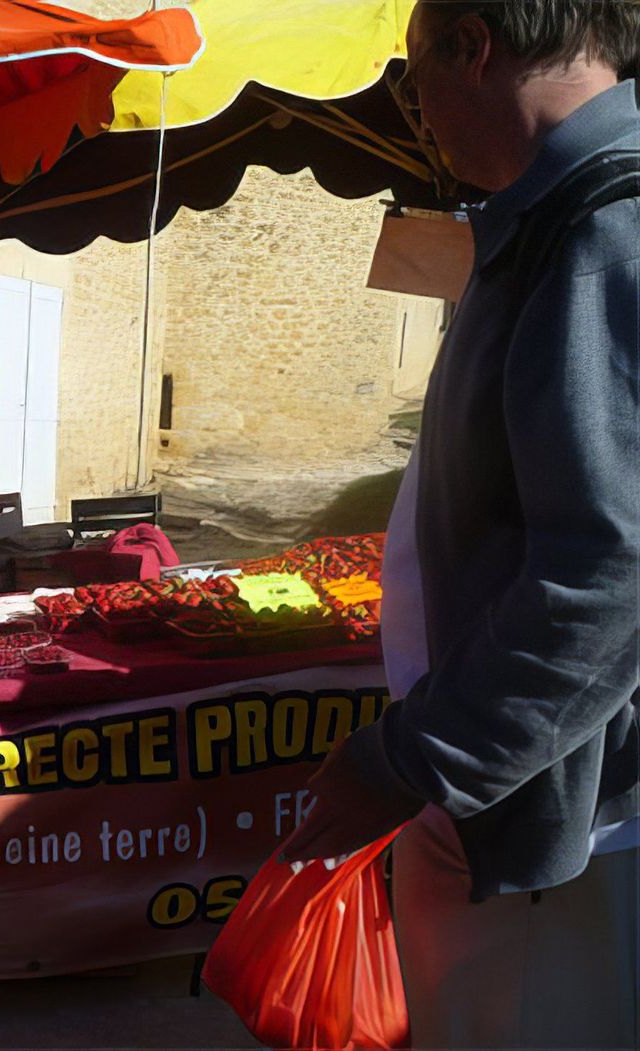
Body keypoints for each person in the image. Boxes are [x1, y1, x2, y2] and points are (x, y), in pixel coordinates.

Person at [281, 3, 640, 1048]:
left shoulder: (600, 232)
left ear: (470, 46)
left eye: (411, 81)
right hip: (525, 790)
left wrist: (412, 758)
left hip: (567, 819)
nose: (419, 115)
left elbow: (611, 573)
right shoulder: (564, 222)